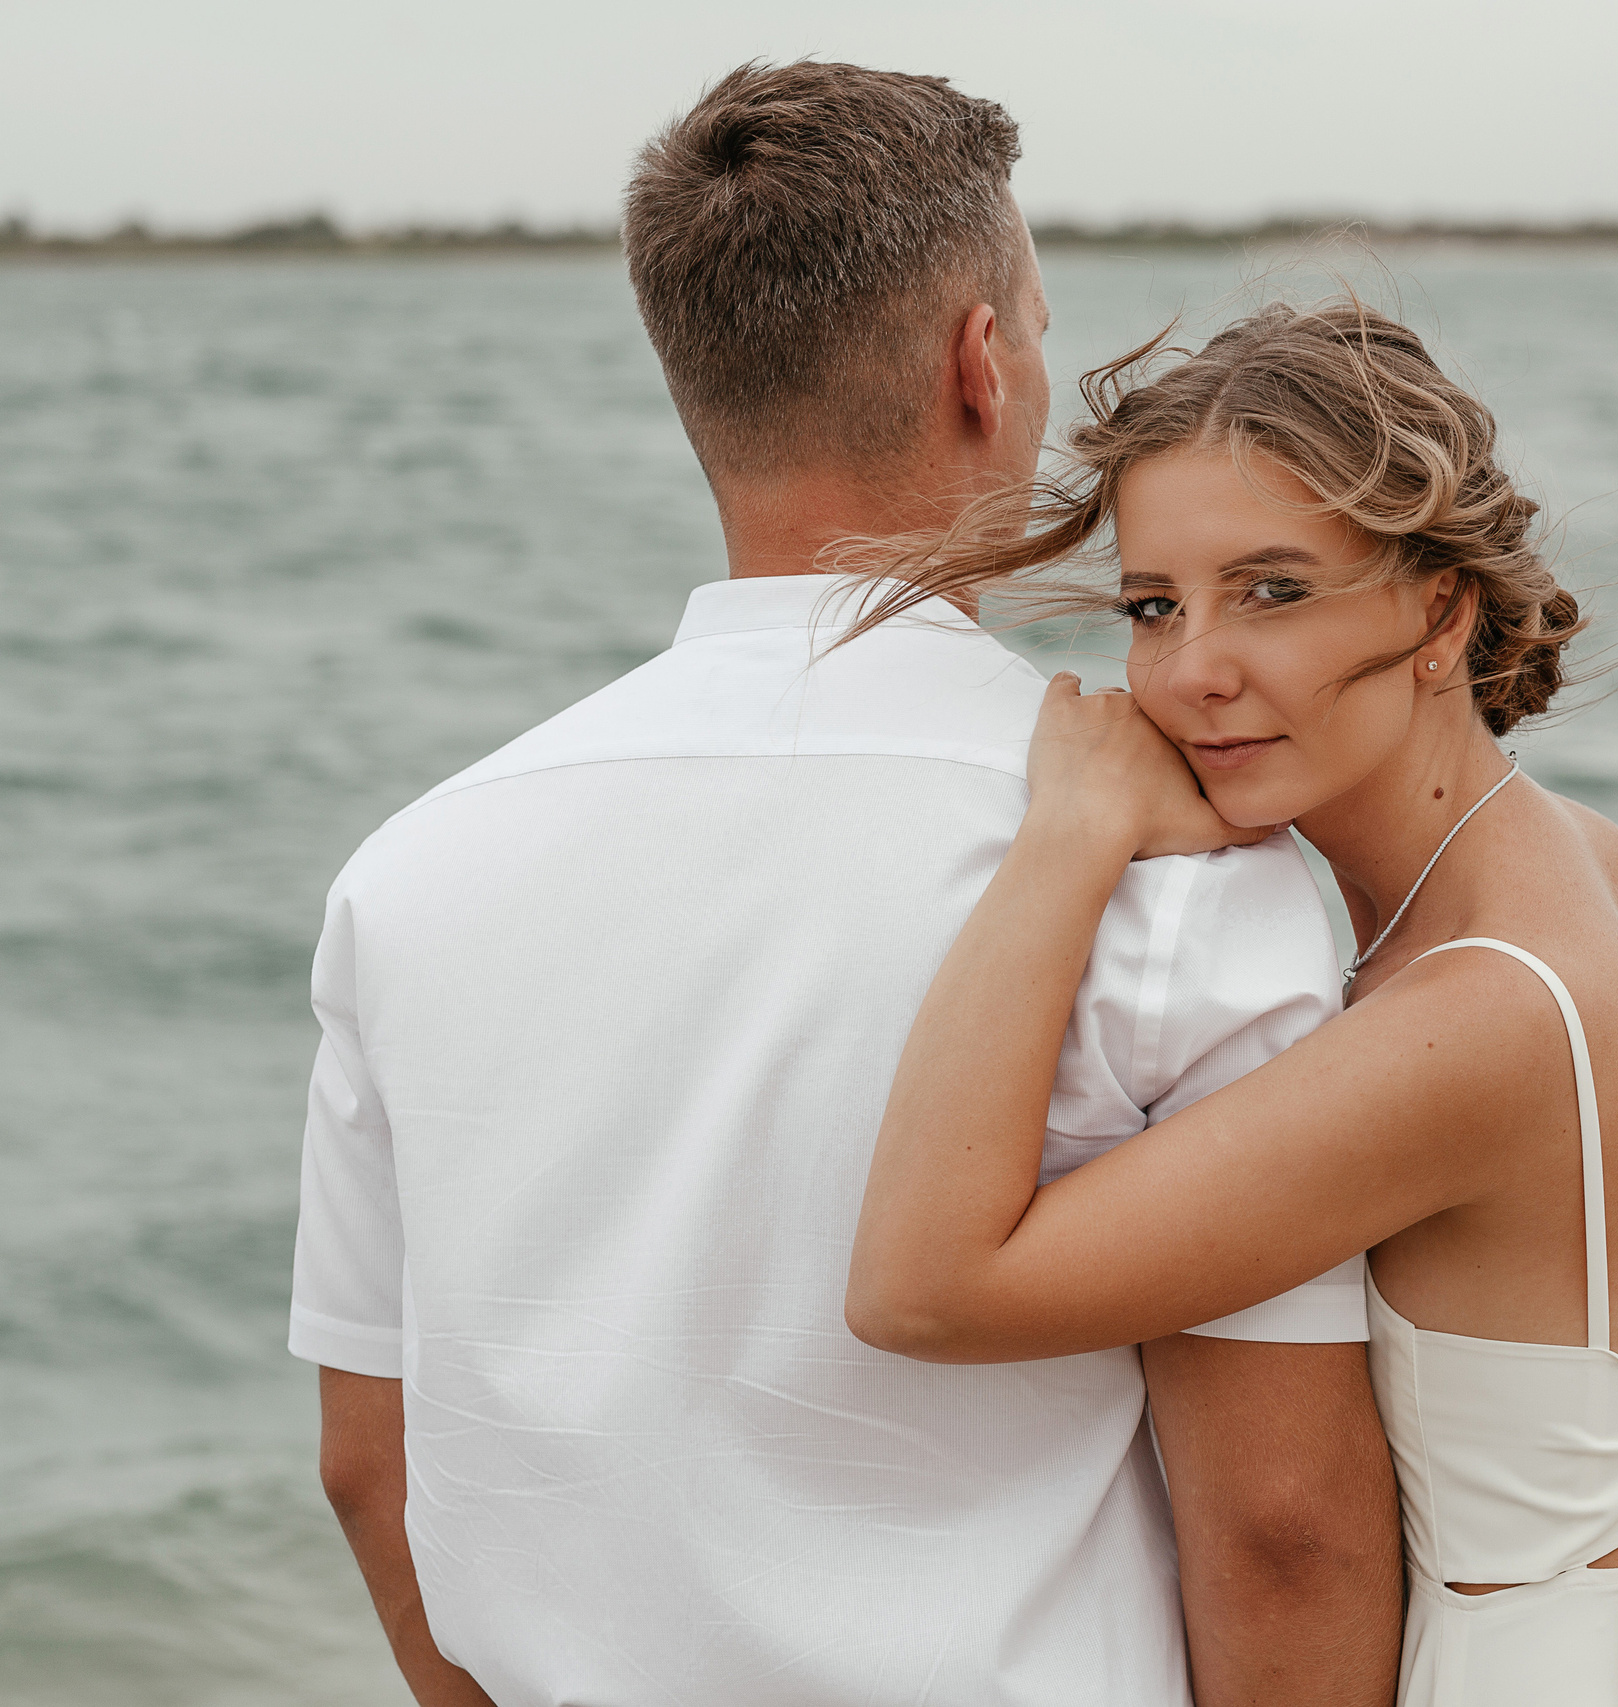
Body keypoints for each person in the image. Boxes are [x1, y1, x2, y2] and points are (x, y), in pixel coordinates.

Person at [286, 63, 1401, 1707]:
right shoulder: (1168, 855)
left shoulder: (413, 874)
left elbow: (373, 1473)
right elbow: (1284, 1527)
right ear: (981, 362)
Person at [842, 301, 1618, 1706]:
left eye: (1273, 591)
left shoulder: (1480, 1016)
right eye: (1153, 606)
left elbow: (925, 1287)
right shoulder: (1603, 872)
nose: (1194, 669)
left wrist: (1064, 847)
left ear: (1440, 608)